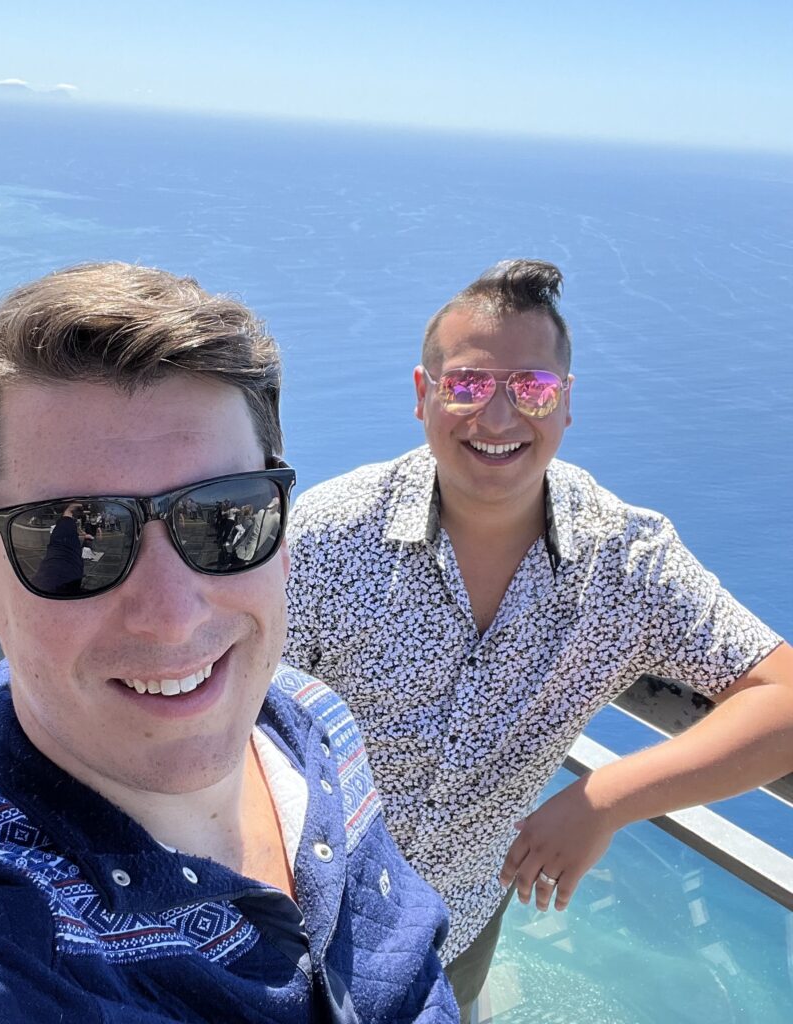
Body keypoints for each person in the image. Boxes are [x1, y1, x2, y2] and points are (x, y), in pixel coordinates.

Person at [0, 263, 458, 1023]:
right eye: (74, 539)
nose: (171, 617)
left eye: (224, 519)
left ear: (280, 530)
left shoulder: (314, 723)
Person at [283, 259, 793, 1020]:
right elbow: (234, 716)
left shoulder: (626, 563)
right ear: (423, 398)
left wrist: (608, 797)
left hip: (452, 930)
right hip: (292, 916)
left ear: (565, 404)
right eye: (467, 385)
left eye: (531, 389)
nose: (497, 419)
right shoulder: (331, 534)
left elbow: (782, 696)